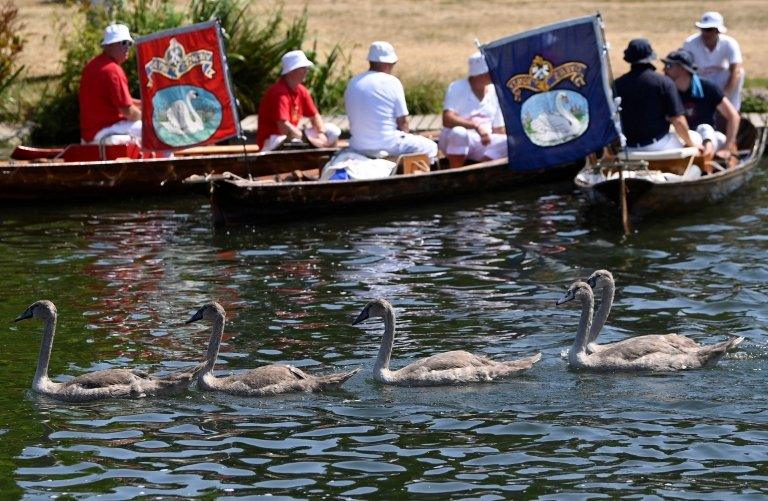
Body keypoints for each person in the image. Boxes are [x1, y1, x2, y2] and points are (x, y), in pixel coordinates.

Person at [344, 41, 438, 160]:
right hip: (387, 143)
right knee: (430, 147)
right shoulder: (392, 82)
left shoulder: (353, 82)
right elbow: (403, 122)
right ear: (388, 63)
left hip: (357, 144)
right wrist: (406, 136)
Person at [614, 38, 701, 152]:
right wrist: (693, 145)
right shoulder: (663, 82)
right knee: (695, 137)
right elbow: (678, 120)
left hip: (628, 147)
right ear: (650, 57)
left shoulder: (616, 84)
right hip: (658, 145)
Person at [663, 49, 740, 172]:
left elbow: (733, 116)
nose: (664, 69)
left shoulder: (707, 87)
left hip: (709, 139)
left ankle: (708, 163)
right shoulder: (666, 89)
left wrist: (727, 147)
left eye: (669, 65)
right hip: (683, 140)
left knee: (707, 129)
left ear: (682, 68)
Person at [255, 50, 340, 152]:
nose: (306, 71)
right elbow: (283, 127)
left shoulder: (301, 90)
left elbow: (314, 116)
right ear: (291, 71)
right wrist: (304, 137)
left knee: (332, 131)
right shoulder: (279, 92)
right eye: (303, 68)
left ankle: (326, 160)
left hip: (291, 136)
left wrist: (321, 133)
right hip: (272, 140)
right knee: (295, 140)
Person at [439, 52, 506, 168]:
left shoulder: (494, 90)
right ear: (479, 73)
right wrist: (476, 126)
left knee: (508, 142)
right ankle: (455, 171)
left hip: (484, 141)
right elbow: (447, 119)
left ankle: (480, 170)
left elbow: (498, 129)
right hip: (457, 139)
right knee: (459, 132)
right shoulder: (456, 87)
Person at [79, 24, 142, 144]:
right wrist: (147, 116)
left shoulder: (93, 65)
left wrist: (147, 104)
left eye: (129, 43)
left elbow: (122, 101)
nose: (127, 47)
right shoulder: (113, 70)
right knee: (155, 128)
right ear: (109, 46)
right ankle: (169, 162)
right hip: (105, 130)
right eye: (123, 43)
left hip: (91, 133)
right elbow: (127, 111)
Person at [683, 11, 744, 110]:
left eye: (709, 29)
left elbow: (736, 69)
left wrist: (725, 96)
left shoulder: (730, 43)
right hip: (699, 79)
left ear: (718, 30)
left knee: (740, 73)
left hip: (720, 78)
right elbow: (684, 68)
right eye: (703, 29)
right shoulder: (690, 43)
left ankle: (732, 109)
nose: (705, 33)